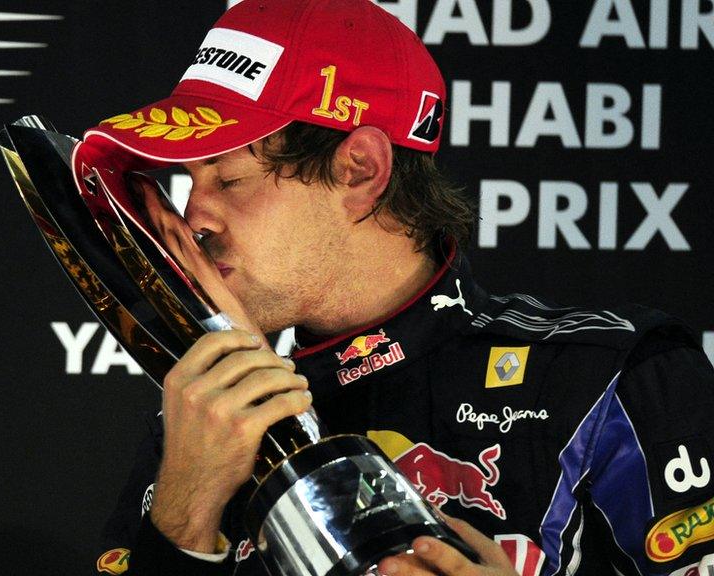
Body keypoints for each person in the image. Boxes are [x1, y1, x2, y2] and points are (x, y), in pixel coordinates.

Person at [82, 0, 714, 575]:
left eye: (229, 179)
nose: (195, 217)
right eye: (190, 180)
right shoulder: (207, 410)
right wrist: (184, 514)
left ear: (360, 170)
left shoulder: (615, 381)